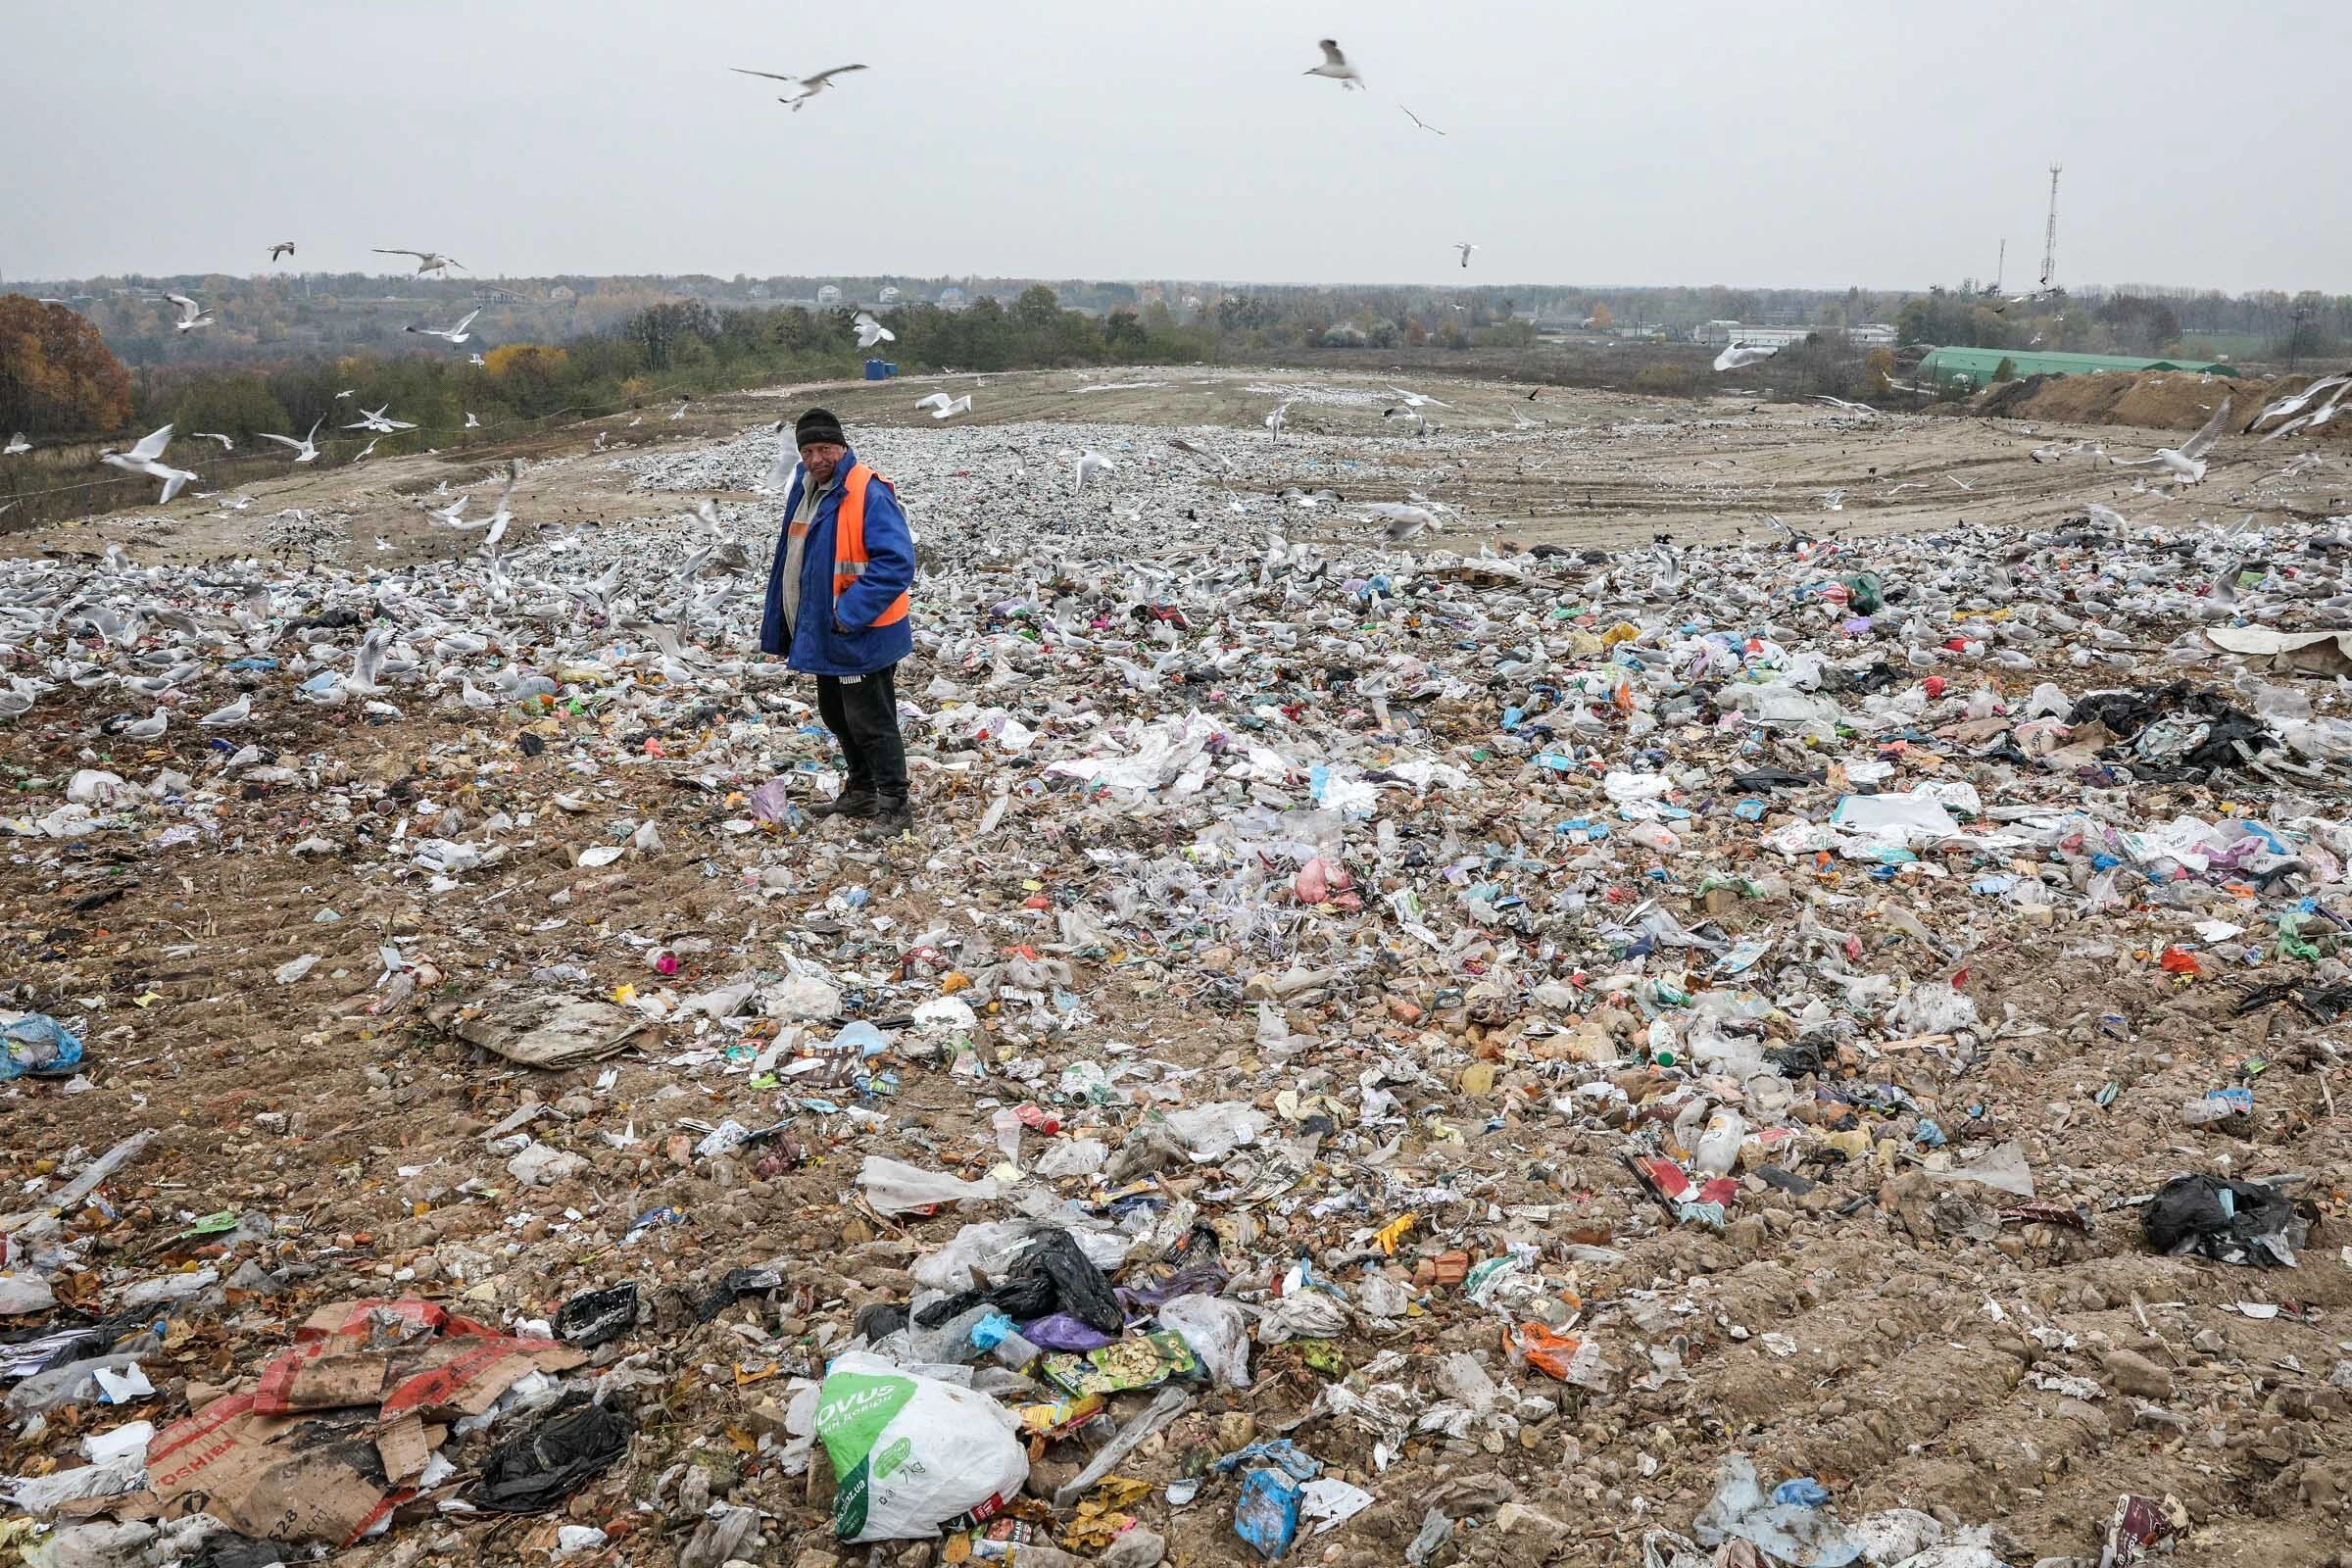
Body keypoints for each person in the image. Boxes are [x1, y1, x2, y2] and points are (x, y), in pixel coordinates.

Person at [759, 408, 917, 834]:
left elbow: (897, 563)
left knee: (870, 719)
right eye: (808, 450)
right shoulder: (806, 487)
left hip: (861, 632)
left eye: (825, 448)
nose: (816, 458)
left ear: (841, 446)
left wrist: (849, 614)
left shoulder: (867, 490)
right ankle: (863, 790)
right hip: (824, 631)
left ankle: (894, 803)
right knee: (835, 712)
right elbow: (795, 557)